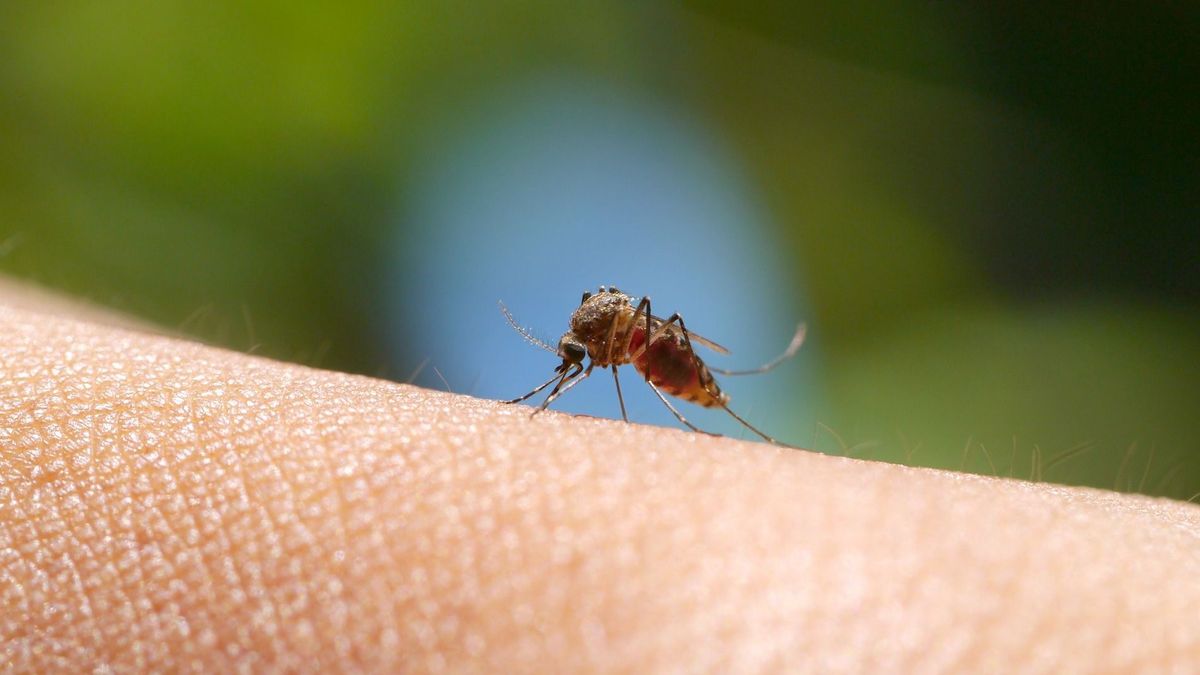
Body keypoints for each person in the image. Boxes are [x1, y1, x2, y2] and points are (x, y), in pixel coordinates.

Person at [1, 289, 1197, 672]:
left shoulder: (623, 342)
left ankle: (736, 397)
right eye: (584, 361)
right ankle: (743, 404)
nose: (576, 368)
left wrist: (673, 367)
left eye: (576, 363)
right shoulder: (591, 340)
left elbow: (625, 326)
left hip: (671, 355)